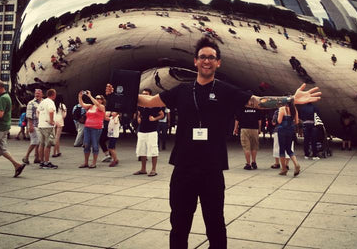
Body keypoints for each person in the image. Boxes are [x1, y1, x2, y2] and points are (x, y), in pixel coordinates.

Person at [105, 37, 321, 249]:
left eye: (211, 57)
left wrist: (290, 100)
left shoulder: (226, 90)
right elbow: (151, 101)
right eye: (202, 57)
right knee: (179, 226)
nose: (206, 61)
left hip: (212, 168)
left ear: (218, 62)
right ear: (195, 62)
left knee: (216, 226)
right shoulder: (182, 91)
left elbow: (258, 102)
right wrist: (119, 95)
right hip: (183, 168)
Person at [134, 89, 164, 176]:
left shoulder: (155, 105)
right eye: (142, 94)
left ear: (150, 95)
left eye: (146, 94)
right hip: (142, 130)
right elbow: (138, 113)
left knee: (153, 150)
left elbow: (162, 114)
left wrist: (154, 119)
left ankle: (153, 169)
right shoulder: (140, 105)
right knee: (142, 150)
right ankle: (143, 169)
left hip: (152, 130)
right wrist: (138, 118)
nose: (144, 96)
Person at [78, 91, 106, 168]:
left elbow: (97, 104)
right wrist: (80, 96)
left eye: (99, 98)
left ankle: (94, 163)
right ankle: (86, 162)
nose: (97, 99)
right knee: (86, 144)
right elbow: (82, 104)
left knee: (95, 145)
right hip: (87, 127)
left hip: (96, 128)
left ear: (102, 100)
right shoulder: (90, 106)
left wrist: (90, 96)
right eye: (96, 98)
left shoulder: (102, 107)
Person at [276, 102, 301, 176]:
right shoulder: (294, 109)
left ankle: (284, 169)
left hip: (282, 130)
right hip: (290, 130)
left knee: (282, 149)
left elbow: (279, 121)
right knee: (289, 149)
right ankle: (296, 164)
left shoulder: (282, 109)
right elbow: (296, 122)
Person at [37, 89, 58, 169]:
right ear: (53, 95)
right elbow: (51, 111)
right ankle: (47, 162)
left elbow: (37, 111)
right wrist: (51, 121)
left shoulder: (43, 102)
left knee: (41, 144)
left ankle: (41, 161)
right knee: (48, 144)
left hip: (41, 125)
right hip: (48, 126)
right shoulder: (50, 102)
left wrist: (40, 119)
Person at [22, 89, 43, 164]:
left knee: (39, 142)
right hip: (33, 125)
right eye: (36, 93)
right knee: (35, 141)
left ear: (42, 94)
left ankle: (37, 157)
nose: (37, 95)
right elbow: (29, 115)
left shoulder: (43, 102)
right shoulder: (31, 103)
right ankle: (26, 157)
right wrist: (30, 126)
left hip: (41, 124)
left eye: (39, 93)